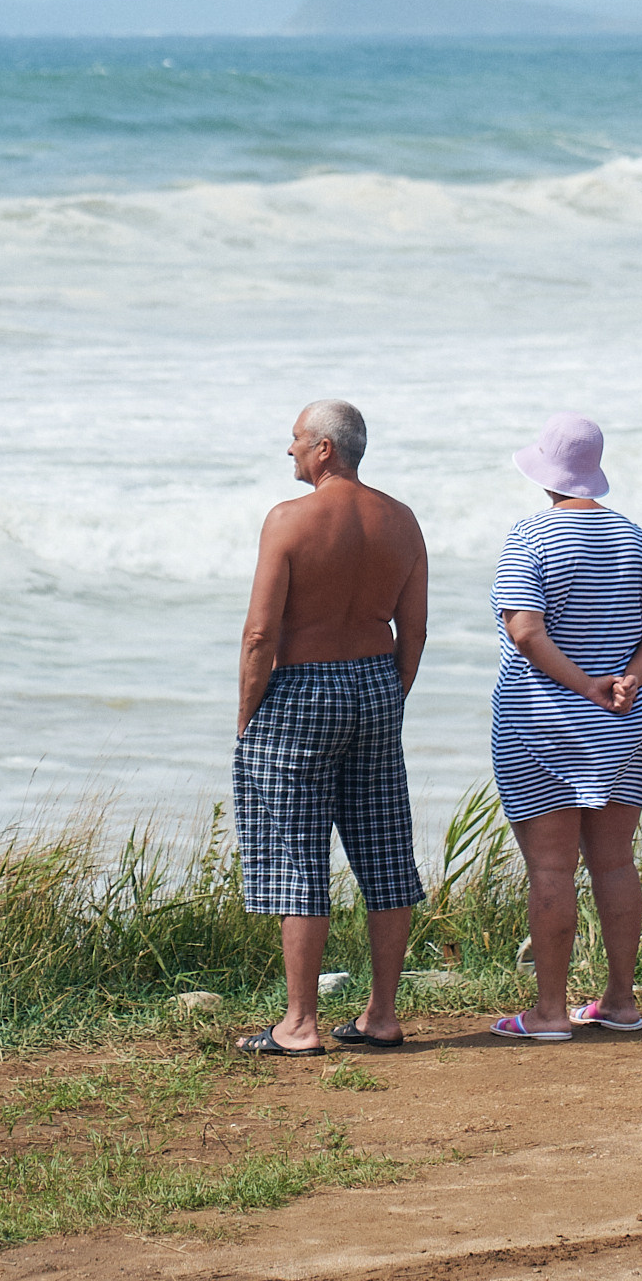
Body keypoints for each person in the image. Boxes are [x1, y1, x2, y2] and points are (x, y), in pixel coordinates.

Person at [232, 399, 428, 1056]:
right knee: (382, 847)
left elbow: (260, 632)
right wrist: (386, 695)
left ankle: (299, 1023)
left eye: (294, 440)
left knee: (296, 854)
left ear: (324, 450)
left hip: (299, 689)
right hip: (375, 681)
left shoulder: (288, 521)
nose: (287, 450)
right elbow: (415, 629)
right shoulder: (400, 521)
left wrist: (246, 713)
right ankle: (381, 1015)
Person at [487, 414, 642, 1040]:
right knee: (615, 861)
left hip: (544, 723)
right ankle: (620, 1002)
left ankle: (549, 1013)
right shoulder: (639, 539)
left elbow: (524, 629)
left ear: (543, 472)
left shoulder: (531, 538)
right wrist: (629, 678)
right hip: (629, 723)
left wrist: (582, 685)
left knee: (550, 869)